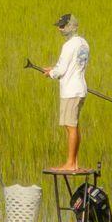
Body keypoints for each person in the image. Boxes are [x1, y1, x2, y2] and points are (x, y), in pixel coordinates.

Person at [43, 13, 90, 172]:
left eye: (62, 26)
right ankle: (74, 163)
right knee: (73, 126)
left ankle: (70, 163)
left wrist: (52, 73)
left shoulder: (69, 45)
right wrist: (54, 69)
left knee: (70, 127)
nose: (60, 29)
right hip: (80, 88)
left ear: (70, 26)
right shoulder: (83, 43)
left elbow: (61, 70)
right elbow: (72, 66)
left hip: (70, 91)